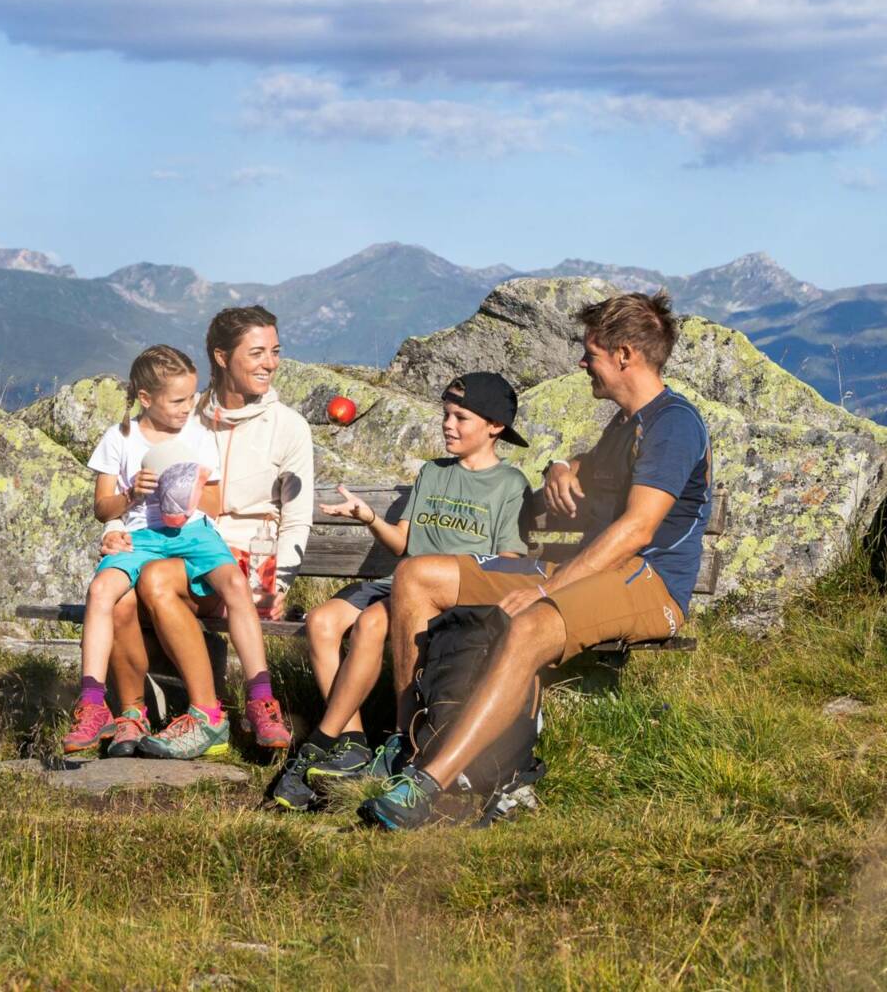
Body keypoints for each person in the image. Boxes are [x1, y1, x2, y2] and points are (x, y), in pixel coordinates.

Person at [359, 291, 712, 830]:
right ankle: (410, 745)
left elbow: (637, 529)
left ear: (624, 355)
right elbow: (586, 468)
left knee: (530, 625)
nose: (581, 362)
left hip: (649, 582)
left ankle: (429, 783)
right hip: (592, 570)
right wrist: (560, 467)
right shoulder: (626, 423)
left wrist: (551, 590)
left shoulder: (673, 424)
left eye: (589, 352)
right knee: (416, 576)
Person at [269, 372, 533, 811]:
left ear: (495, 427)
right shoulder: (433, 472)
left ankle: (328, 745)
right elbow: (405, 544)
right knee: (322, 621)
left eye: (460, 417)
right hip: (397, 583)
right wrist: (369, 515)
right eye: (446, 414)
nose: (448, 424)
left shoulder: (509, 484)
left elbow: (506, 560)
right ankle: (351, 744)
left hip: (442, 597)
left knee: (373, 622)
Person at [97, 306, 313, 759]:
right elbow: (134, 480)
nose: (269, 363)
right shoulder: (185, 414)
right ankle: (130, 715)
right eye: (256, 353)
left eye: (275, 352)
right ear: (220, 356)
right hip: (182, 548)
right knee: (121, 596)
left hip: (248, 560)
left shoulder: (288, 426)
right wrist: (115, 526)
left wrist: (282, 583)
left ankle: (205, 715)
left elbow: (297, 515)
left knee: (155, 580)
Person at [60, 345, 272, 756]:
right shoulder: (119, 438)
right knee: (103, 591)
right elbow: (102, 506)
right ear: (145, 398)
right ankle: (92, 703)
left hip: (191, 532)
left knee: (234, 582)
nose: (186, 407)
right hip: (140, 538)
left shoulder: (198, 434)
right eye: (177, 400)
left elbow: (212, 503)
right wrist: (128, 497)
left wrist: (184, 492)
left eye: (191, 397)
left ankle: (261, 696)